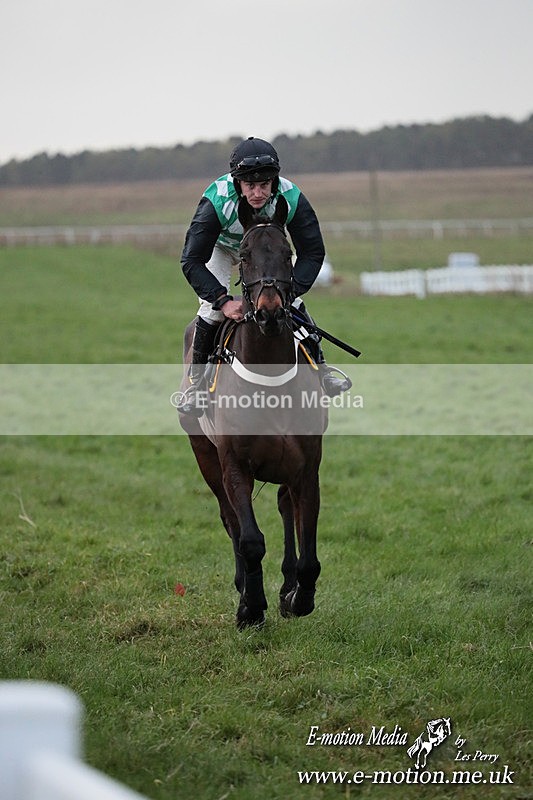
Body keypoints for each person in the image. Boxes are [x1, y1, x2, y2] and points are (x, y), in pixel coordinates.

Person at [178, 136, 351, 415]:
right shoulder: (217, 200)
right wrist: (222, 300)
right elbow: (191, 259)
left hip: (264, 250)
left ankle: (322, 372)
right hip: (220, 249)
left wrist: (290, 292)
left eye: (264, 185)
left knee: (292, 305)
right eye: (250, 186)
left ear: (274, 182)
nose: (258, 193)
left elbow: (312, 253)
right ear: (238, 183)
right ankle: (196, 387)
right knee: (211, 313)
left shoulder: (291, 197)